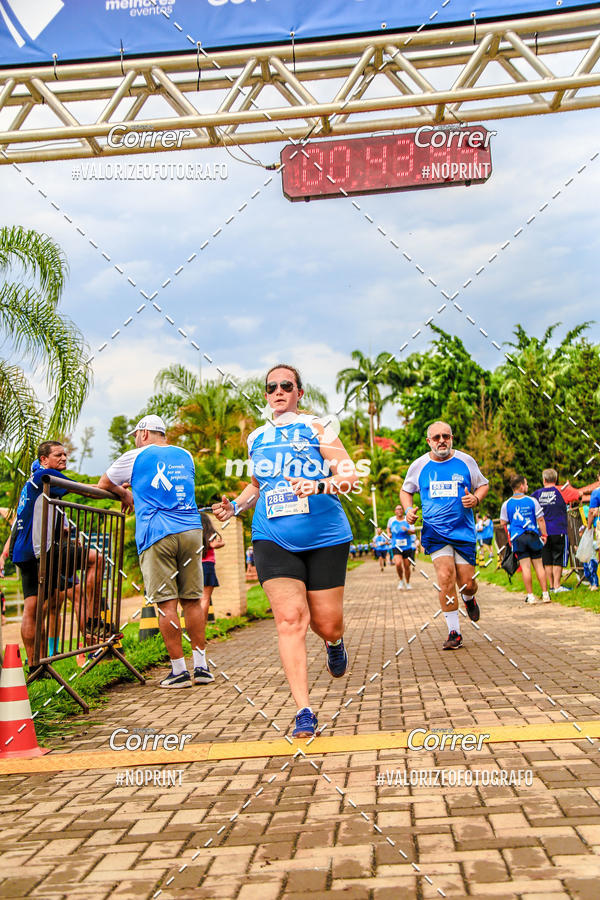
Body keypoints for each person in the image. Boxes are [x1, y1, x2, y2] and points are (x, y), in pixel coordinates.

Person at [213, 364, 358, 739]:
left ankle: (335, 642)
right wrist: (238, 506)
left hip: (325, 535)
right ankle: (304, 711)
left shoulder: (317, 428)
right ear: (266, 394)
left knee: (327, 623)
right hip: (272, 536)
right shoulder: (257, 437)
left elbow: (348, 476)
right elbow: (257, 484)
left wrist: (317, 484)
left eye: (286, 385)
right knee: (291, 619)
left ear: (299, 392)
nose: (278, 391)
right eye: (271, 386)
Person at [99, 414, 208, 688]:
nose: (136, 439)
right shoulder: (185, 455)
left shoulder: (134, 456)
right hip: (192, 531)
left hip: (157, 533)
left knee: (166, 604)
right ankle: (203, 667)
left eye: (137, 434)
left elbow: (103, 485)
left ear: (144, 433)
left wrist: (125, 494)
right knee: (193, 600)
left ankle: (179, 671)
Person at [11, 442, 103, 668]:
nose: (64, 458)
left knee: (32, 608)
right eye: (58, 454)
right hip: (41, 549)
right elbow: (85, 490)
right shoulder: (46, 476)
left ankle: (35, 665)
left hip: (24, 552)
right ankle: (91, 625)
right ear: (44, 460)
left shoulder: (32, 480)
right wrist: (119, 492)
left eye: (65, 454)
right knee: (96, 559)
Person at [401, 422, 489, 650]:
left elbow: (483, 485)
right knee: (445, 577)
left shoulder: (466, 461)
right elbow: (406, 490)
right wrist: (409, 510)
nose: (442, 440)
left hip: (464, 531)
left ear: (452, 438)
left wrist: (476, 499)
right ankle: (454, 632)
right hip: (435, 532)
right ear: (429, 441)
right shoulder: (419, 465)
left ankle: (469, 599)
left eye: (446, 436)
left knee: (467, 583)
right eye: (437, 437)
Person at [500, 474, 551, 605]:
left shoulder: (506, 504)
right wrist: (544, 535)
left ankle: (531, 596)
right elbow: (540, 519)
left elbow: (502, 522)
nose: (527, 486)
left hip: (518, 538)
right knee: (539, 565)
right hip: (532, 535)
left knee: (526, 567)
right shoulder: (532, 501)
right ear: (522, 486)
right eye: (526, 484)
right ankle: (545, 594)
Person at [532, 469, 570, 592]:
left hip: (543, 532)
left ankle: (551, 585)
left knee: (547, 558)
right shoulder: (561, 491)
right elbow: (578, 495)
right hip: (559, 529)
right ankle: (558, 585)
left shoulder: (536, 494)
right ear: (556, 478)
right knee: (557, 557)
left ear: (544, 480)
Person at [199, 511, 224, 677]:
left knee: (194, 599)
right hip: (208, 565)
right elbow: (219, 544)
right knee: (205, 598)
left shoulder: (194, 532)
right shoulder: (210, 533)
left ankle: (194, 623)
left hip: (194, 566)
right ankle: (202, 623)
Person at [387, 505, 416, 590]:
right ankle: (400, 580)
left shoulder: (408, 519)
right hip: (395, 546)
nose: (399, 510)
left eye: (400, 509)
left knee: (407, 566)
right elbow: (388, 528)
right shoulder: (391, 520)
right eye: (397, 509)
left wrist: (407, 530)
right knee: (398, 564)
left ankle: (407, 582)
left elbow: (413, 531)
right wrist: (389, 533)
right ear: (395, 511)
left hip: (407, 546)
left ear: (403, 511)